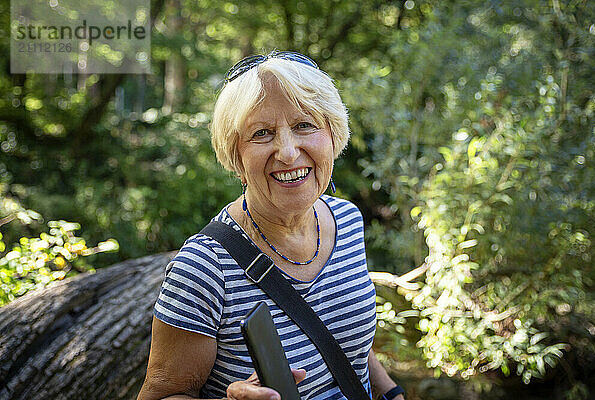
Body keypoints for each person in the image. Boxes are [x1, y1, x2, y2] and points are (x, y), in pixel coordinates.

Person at [138, 51, 405, 400]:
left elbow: (347, 341)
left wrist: (392, 392)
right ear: (237, 156)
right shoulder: (204, 267)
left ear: (333, 135)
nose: (288, 152)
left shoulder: (347, 220)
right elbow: (159, 394)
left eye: (304, 125)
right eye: (262, 133)